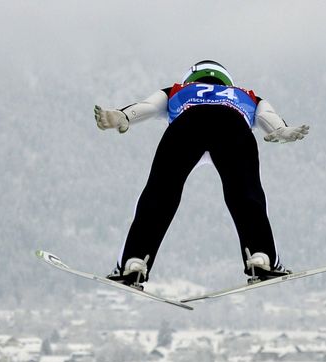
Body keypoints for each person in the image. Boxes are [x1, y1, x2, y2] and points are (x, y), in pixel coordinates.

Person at [93, 59, 310, 288]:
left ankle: (133, 262)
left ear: (190, 78)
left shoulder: (178, 90)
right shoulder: (246, 95)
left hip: (187, 125)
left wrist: (122, 116)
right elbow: (267, 116)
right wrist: (280, 130)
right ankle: (261, 256)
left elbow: (147, 106)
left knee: (160, 193)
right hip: (233, 126)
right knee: (246, 194)